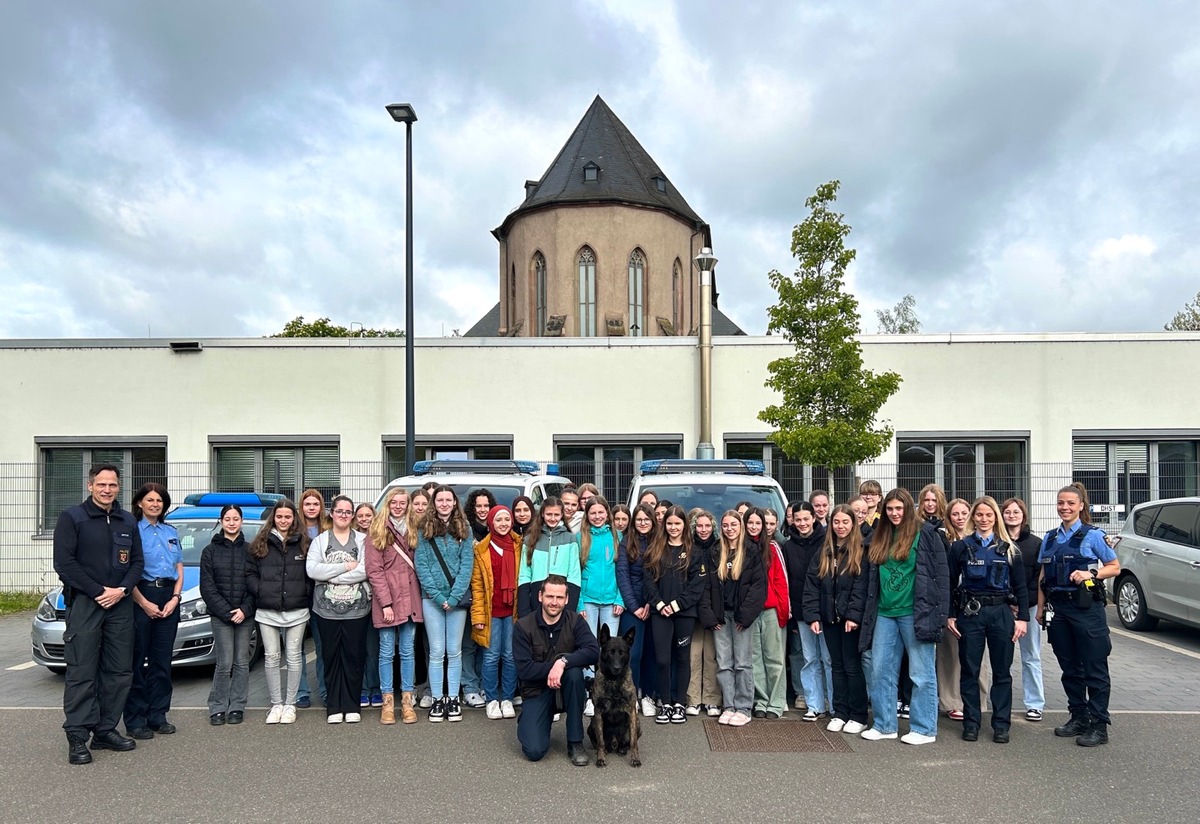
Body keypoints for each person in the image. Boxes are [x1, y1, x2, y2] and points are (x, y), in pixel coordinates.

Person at [53, 463, 144, 765]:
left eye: (113, 485)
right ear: (90, 485)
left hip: (120, 604)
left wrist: (121, 590)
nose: (107, 490)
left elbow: (137, 563)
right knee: (82, 671)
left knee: (119, 671)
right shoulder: (72, 518)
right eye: (102, 484)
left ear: (120, 487)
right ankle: (78, 735)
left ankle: (105, 730)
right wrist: (97, 591)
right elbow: (64, 564)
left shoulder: (127, 520)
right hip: (86, 603)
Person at [859, 488, 949, 745]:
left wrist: (940, 614)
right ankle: (885, 724)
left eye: (899, 508)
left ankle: (923, 729)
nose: (895, 513)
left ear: (908, 508)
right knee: (881, 670)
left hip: (916, 613)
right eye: (890, 509)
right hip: (885, 614)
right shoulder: (880, 535)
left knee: (921, 673)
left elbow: (941, 577)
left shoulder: (926, 535)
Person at [1037, 483, 1119, 747]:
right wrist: (1040, 608)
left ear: (1081, 505)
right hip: (1058, 610)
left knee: (1094, 668)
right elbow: (1042, 577)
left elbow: (1115, 567)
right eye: (1061, 503)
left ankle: (1099, 725)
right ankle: (1079, 717)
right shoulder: (1049, 538)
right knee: (1069, 668)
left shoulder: (1093, 535)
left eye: (1071, 503)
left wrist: (1090, 574)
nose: (1065, 507)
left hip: (1086, 610)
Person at [946, 496, 1028, 744]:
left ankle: (1001, 725)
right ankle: (971, 723)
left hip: (1001, 613)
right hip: (971, 613)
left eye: (989, 515)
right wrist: (950, 614)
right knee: (969, 670)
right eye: (979, 515)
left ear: (996, 517)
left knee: (1002, 671)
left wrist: (1022, 618)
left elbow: (1021, 587)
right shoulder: (961, 547)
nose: (984, 519)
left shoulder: (1009, 548)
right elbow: (950, 583)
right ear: (973, 517)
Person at [513, 575, 600, 765]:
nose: (554, 602)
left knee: (575, 674)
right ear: (540, 596)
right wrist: (552, 667)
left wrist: (562, 662)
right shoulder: (523, 626)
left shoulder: (575, 621)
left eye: (559, 598)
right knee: (534, 751)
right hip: (537, 692)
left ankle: (575, 742)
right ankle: (530, 718)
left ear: (567, 599)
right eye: (550, 596)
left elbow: (593, 651)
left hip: (567, 688)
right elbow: (525, 670)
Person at [803, 504, 870, 734]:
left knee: (852, 667)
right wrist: (813, 616)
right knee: (836, 666)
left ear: (853, 524)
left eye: (845, 522)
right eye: (836, 522)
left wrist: (853, 615)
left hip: (849, 621)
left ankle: (858, 715)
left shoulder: (861, 550)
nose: (840, 526)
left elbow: (861, 588)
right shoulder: (824, 551)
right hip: (828, 619)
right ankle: (840, 712)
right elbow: (812, 586)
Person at [123, 482, 183, 740]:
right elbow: (128, 572)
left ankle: (158, 715)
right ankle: (136, 720)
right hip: (140, 597)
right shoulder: (132, 531)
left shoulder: (171, 531)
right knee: (137, 662)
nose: (155, 504)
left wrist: (175, 597)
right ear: (139, 503)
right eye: (150, 500)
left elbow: (179, 567)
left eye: (159, 500)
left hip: (168, 596)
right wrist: (143, 602)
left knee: (161, 661)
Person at [307, 495, 372, 724]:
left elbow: (365, 570)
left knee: (354, 657)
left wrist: (332, 576)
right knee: (331, 656)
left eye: (348, 512)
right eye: (340, 511)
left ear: (352, 515)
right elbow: (313, 570)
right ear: (332, 514)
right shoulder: (320, 541)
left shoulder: (364, 540)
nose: (344, 515)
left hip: (358, 610)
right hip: (326, 610)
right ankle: (334, 706)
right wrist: (345, 566)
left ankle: (352, 704)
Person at [247, 499, 311, 725]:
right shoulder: (261, 543)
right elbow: (250, 573)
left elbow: (311, 574)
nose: (283, 521)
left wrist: (303, 592)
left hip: (297, 609)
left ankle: (290, 704)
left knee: (294, 657)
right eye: (280, 516)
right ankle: (276, 704)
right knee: (272, 657)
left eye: (288, 516)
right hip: (267, 609)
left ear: (294, 518)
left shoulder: (304, 543)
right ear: (273, 518)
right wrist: (261, 591)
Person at [414, 485, 474, 722]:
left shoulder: (464, 528)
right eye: (440, 500)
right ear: (434, 503)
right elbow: (422, 566)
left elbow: (466, 565)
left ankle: (452, 699)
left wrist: (454, 596)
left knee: (455, 651)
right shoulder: (423, 529)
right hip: (432, 599)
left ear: (454, 503)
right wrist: (439, 597)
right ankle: (437, 698)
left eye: (449, 500)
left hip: (456, 599)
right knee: (437, 651)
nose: (445, 504)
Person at [643, 505, 707, 724]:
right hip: (660, 613)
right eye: (669, 523)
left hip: (684, 614)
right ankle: (666, 703)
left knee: (682, 658)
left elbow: (697, 586)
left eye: (677, 523)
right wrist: (660, 604)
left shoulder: (694, 552)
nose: (673, 527)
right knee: (662, 659)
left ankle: (680, 702)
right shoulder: (655, 549)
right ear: (664, 524)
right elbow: (648, 582)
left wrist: (677, 605)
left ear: (684, 525)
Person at [365, 488, 422, 725]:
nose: (398, 506)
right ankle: (388, 703)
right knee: (386, 652)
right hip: (386, 600)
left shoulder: (415, 529)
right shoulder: (377, 530)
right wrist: (386, 602)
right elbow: (374, 571)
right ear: (387, 504)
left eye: (402, 503)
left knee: (408, 652)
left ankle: (407, 701)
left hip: (410, 598)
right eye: (394, 502)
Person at [200, 504, 255, 726]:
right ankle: (217, 706)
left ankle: (237, 706)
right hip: (220, 616)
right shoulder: (209, 551)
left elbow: (255, 585)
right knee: (224, 662)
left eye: (236, 519)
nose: (232, 523)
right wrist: (225, 612)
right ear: (221, 522)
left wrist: (244, 610)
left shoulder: (251, 551)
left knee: (242, 662)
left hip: (245, 615)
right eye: (227, 519)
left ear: (241, 522)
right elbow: (207, 587)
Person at [936, 497, 988, 722]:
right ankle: (952, 701)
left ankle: (978, 701)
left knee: (978, 656)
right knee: (950, 655)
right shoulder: (942, 539)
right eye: (954, 514)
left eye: (964, 513)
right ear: (948, 517)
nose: (959, 518)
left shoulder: (980, 540)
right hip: (953, 603)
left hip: (977, 604)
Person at [712, 510, 766, 727]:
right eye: (725, 525)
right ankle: (729, 705)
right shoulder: (716, 551)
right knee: (724, 663)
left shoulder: (752, 552)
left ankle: (743, 707)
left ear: (740, 526)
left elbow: (758, 587)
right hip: (721, 616)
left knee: (743, 663)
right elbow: (710, 586)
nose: (729, 529)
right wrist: (713, 614)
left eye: (734, 524)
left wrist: (745, 616)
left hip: (742, 616)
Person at [470, 505, 521, 720]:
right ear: (491, 522)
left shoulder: (519, 545)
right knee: (490, 657)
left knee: (510, 655)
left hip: (514, 610)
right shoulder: (481, 549)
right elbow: (478, 586)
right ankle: (492, 699)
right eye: (498, 520)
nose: (503, 524)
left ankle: (507, 698)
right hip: (491, 611)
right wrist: (479, 616)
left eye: (506, 520)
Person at [783, 502, 830, 719]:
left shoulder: (827, 542)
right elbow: (788, 582)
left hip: (826, 611)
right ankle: (814, 704)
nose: (802, 523)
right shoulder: (788, 546)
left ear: (814, 518)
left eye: (805, 519)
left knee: (829, 660)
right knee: (809, 658)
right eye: (797, 519)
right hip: (802, 613)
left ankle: (833, 704)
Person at [578, 496, 623, 717]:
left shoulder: (617, 537)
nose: (597, 516)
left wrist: (620, 599)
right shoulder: (581, 537)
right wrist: (578, 603)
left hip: (612, 601)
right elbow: (575, 572)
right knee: (589, 645)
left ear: (607, 513)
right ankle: (589, 693)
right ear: (587, 515)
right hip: (587, 599)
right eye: (592, 513)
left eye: (601, 512)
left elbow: (622, 573)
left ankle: (612, 691)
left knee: (611, 648)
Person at [1003, 496, 1045, 722]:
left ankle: (1035, 703)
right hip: (1002, 608)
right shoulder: (997, 541)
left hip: (1027, 608)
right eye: (1008, 512)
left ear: (1023, 515)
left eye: (1016, 512)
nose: (1012, 516)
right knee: (1002, 659)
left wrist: (1024, 602)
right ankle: (1002, 701)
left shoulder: (1036, 544)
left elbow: (1038, 579)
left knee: (1031, 656)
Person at [616, 503, 659, 717]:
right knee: (632, 654)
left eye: (647, 519)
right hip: (632, 607)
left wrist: (652, 604)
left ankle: (648, 695)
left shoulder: (660, 543)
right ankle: (631, 696)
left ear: (653, 521)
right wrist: (634, 607)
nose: (643, 523)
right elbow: (622, 575)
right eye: (639, 519)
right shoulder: (626, 542)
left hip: (655, 606)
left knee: (651, 653)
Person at [746, 507, 789, 719]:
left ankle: (776, 702)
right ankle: (761, 701)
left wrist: (783, 612)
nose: (754, 527)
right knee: (755, 659)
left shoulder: (772, 548)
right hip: (750, 612)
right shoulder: (742, 548)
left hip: (771, 610)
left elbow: (782, 583)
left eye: (758, 523)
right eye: (750, 523)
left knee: (774, 659)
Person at [460, 488, 497, 710]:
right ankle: (470, 687)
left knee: (486, 643)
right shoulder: (465, 532)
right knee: (468, 645)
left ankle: (485, 684)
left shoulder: (498, 530)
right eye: (479, 506)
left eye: (486, 506)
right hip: (468, 595)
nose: (483, 510)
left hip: (490, 597)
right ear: (472, 509)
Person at [517, 496, 582, 616]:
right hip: (536, 597)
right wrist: (524, 609)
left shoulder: (570, 539)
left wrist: (570, 607)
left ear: (562, 514)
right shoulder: (530, 539)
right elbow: (524, 574)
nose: (552, 518)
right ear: (542, 514)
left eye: (556, 515)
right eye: (549, 514)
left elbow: (574, 574)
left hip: (560, 597)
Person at [296, 488, 331, 709]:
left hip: (322, 594)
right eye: (307, 504)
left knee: (322, 646)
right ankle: (301, 692)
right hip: (298, 594)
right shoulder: (293, 530)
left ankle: (325, 690)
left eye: (315, 504)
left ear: (321, 507)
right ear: (302, 507)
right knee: (296, 647)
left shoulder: (328, 529)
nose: (311, 507)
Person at [686, 510, 722, 717]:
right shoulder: (689, 548)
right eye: (699, 526)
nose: (704, 530)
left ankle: (712, 699)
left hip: (714, 612)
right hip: (693, 611)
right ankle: (693, 699)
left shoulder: (719, 547)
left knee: (712, 657)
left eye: (707, 526)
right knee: (693, 656)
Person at [355, 502, 383, 709]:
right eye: (360, 516)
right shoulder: (352, 539)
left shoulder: (381, 537)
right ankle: (362, 689)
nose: (364, 519)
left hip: (376, 600)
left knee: (374, 649)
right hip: (354, 601)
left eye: (368, 515)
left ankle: (375, 688)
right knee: (358, 649)